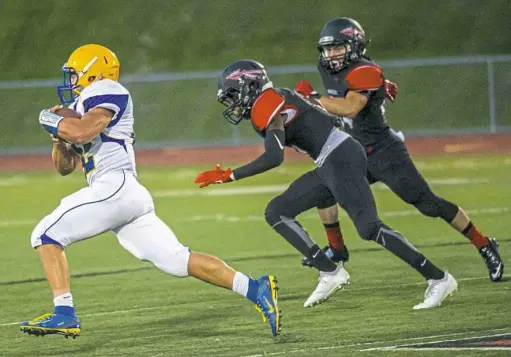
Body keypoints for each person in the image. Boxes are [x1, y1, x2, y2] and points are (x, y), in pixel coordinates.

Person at [20, 44, 281, 339]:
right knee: (176, 260)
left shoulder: (107, 88)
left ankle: (64, 313)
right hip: (124, 195)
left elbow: (82, 132)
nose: (71, 81)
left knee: (45, 234)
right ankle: (255, 288)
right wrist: (57, 138)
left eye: (74, 74)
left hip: (114, 186)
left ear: (92, 72)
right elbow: (65, 166)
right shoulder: (85, 106)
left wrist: (53, 121)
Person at [195, 59, 457, 310]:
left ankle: (438, 278)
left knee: (369, 228)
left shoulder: (267, 101)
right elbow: (328, 119)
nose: (233, 103)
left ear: (248, 84)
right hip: (332, 159)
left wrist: (231, 175)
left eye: (233, 94)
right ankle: (330, 270)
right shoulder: (277, 97)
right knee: (277, 211)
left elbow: (274, 158)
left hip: (339, 157)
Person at [295, 17, 503, 282]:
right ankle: (337, 249)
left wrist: (313, 98)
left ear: (354, 45)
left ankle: (484, 244)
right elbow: (353, 86)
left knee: (429, 205)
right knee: (323, 191)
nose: (331, 55)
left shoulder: (365, 71)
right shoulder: (333, 68)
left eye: (338, 48)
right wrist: (381, 86)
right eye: (328, 49)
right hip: (353, 152)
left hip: (384, 154)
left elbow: (350, 107)